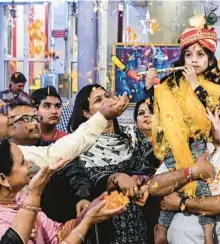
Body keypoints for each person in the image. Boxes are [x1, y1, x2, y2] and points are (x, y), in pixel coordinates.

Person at [145, 16, 220, 244]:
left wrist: (194, 85)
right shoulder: (172, 84)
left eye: (200, 55)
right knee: (175, 185)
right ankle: (161, 231)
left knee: (199, 185)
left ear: (210, 59)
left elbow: (211, 111)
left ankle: (207, 236)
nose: (194, 60)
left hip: (201, 144)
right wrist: (151, 88)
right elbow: (160, 109)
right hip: (173, 145)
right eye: (188, 55)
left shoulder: (216, 89)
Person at [150, 91, 220, 244]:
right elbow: (154, 186)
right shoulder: (191, 147)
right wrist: (193, 172)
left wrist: (181, 204)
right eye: (217, 116)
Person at [68, 84, 155, 244]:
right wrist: (115, 177)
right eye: (98, 100)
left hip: (139, 218)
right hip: (104, 225)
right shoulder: (79, 144)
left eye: (107, 96)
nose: (106, 101)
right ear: (86, 113)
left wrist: (142, 180)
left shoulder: (133, 135)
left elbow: (151, 167)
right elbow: (85, 183)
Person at [0, 139, 127, 244]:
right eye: (22, 162)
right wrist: (87, 221)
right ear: (3, 179)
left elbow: (57, 234)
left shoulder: (20, 200)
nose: (29, 165)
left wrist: (89, 211)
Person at [5, 101, 92, 223]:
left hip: (56, 224)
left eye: (36, 118)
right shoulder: (4, 157)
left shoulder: (55, 149)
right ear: (8, 125)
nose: (35, 123)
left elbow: (75, 173)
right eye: (27, 119)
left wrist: (83, 197)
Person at [133, 99, 161, 244]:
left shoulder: (170, 143)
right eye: (141, 113)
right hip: (138, 202)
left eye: (151, 112)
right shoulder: (131, 146)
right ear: (135, 122)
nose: (146, 116)